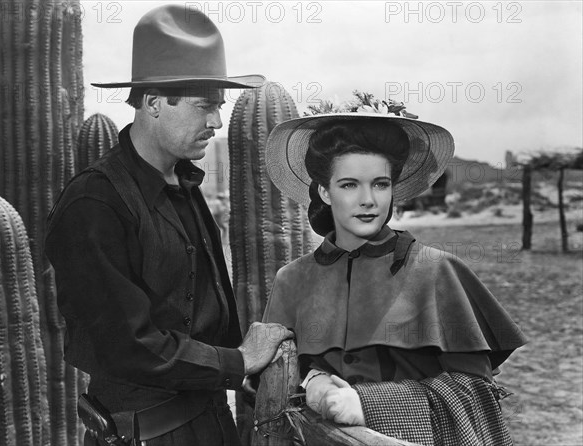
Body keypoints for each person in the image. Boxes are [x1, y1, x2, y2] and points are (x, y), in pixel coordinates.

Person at [45, 5, 292, 446]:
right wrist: (239, 361)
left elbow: (204, 311)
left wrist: (242, 372)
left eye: (219, 107)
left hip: (212, 424)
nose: (216, 121)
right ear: (155, 104)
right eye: (205, 106)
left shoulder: (185, 185)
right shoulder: (94, 203)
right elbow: (126, 345)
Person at [262, 112, 527, 445]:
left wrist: (369, 404)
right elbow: (269, 387)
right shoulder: (292, 279)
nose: (369, 200)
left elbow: (477, 395)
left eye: (380, 184)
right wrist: (312, 381)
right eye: (349, 184)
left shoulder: (435, 270)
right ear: (325, 192)